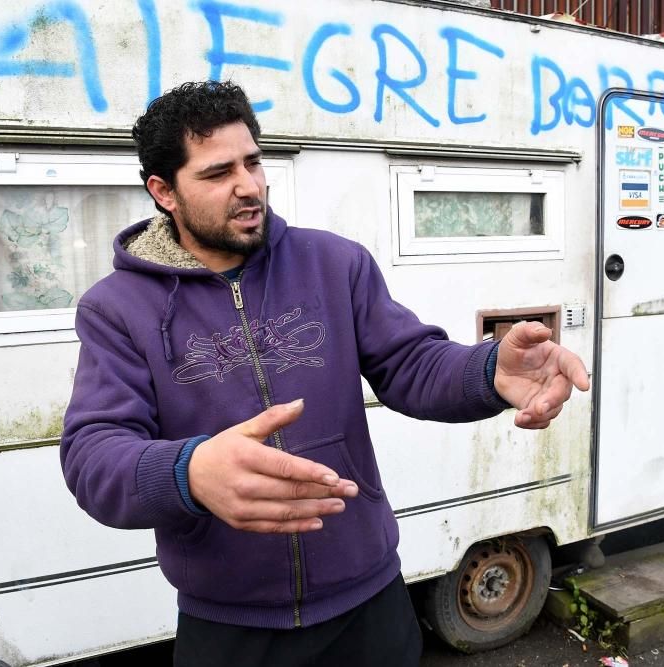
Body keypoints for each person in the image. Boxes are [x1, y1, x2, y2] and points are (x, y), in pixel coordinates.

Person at [61, 80, 589, 666]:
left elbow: (409, 362)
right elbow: (93, 455)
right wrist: (190, 473)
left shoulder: (333, 263)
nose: (248, 186)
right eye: (217, 174)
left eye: (253, 163)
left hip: (369, 604)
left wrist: (490, 369)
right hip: (229, 622)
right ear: (164, 191)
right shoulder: (117, 309)